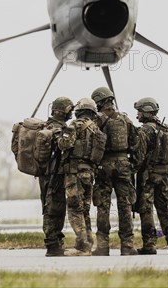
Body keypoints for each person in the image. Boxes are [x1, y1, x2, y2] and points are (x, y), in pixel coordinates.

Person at [90, 87, 139, 256]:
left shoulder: (97, 120)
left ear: (99, 102)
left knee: (103, 206)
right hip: (124, 165)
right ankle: (127, 245)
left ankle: (102, 246)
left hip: (104, 166)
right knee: (125, 205)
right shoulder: (125, 119)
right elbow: (135, 142)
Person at [56, 98, 106, 256]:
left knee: (74, 209)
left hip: (74, 172)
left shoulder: (75, 125)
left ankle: (82, 246)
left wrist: (59, 138)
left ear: (79, 110)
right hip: (89, 173)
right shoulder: (97, 130)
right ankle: (88, 243)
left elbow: (65, 145)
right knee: (84, 209)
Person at [133, 97, 168, 255]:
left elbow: (139, 157)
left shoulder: (144, 130)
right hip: (164, 174)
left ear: (146, 111)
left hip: (148, 176)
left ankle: (149, 245)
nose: (137, 115)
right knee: (165, 210)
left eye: (139, 111)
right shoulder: (167, 128)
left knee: (145, 210)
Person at [40, 96, 74, 256]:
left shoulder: (47, 125)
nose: (71, 114)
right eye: (69, 110)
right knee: (54, 208)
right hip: (55, 174)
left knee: (51, 206)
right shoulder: (57, 128)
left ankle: (55, 241)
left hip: (47, 174)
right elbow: (63, 145)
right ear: (62, 111)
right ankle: (52, 244)